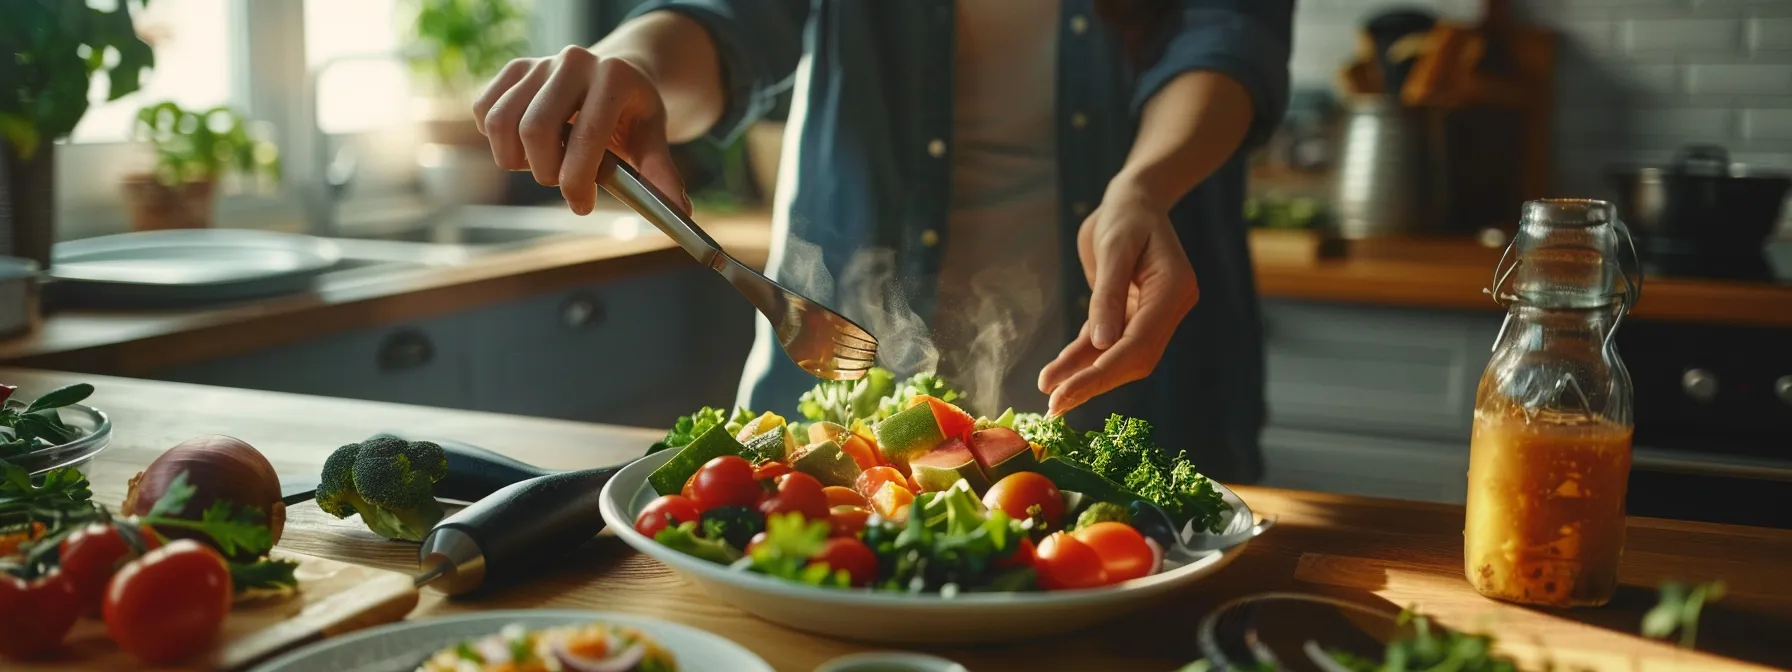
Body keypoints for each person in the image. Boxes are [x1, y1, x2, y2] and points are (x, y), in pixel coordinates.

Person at [473, 0, 1292, 483]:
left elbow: (1226, 34)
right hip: (828, 418)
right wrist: (633, 67)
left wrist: (1142, 186)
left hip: (1145, 385)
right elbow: (723, 19)